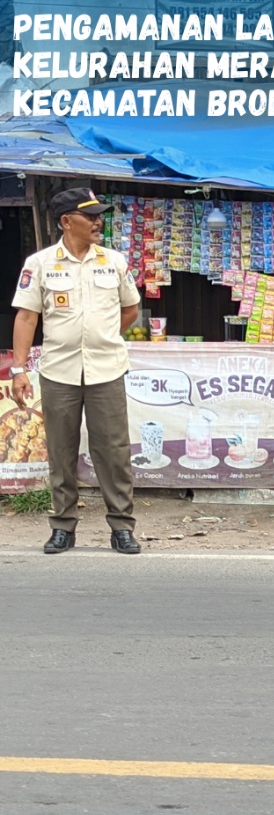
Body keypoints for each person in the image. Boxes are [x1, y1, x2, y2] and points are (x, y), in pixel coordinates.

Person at [10, 187, 142, 554]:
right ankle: (63, 526)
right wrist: (19, 369)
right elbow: (26, 316)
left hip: (107, 370)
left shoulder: (114, 261)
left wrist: (103, 336)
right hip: (59, 372)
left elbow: (130, 309)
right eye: (91, 216)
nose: (99, 222)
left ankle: (122, 527)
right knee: (62, 451)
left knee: (113, 451)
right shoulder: (40, 263)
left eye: (100, 215)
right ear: (67, 222)